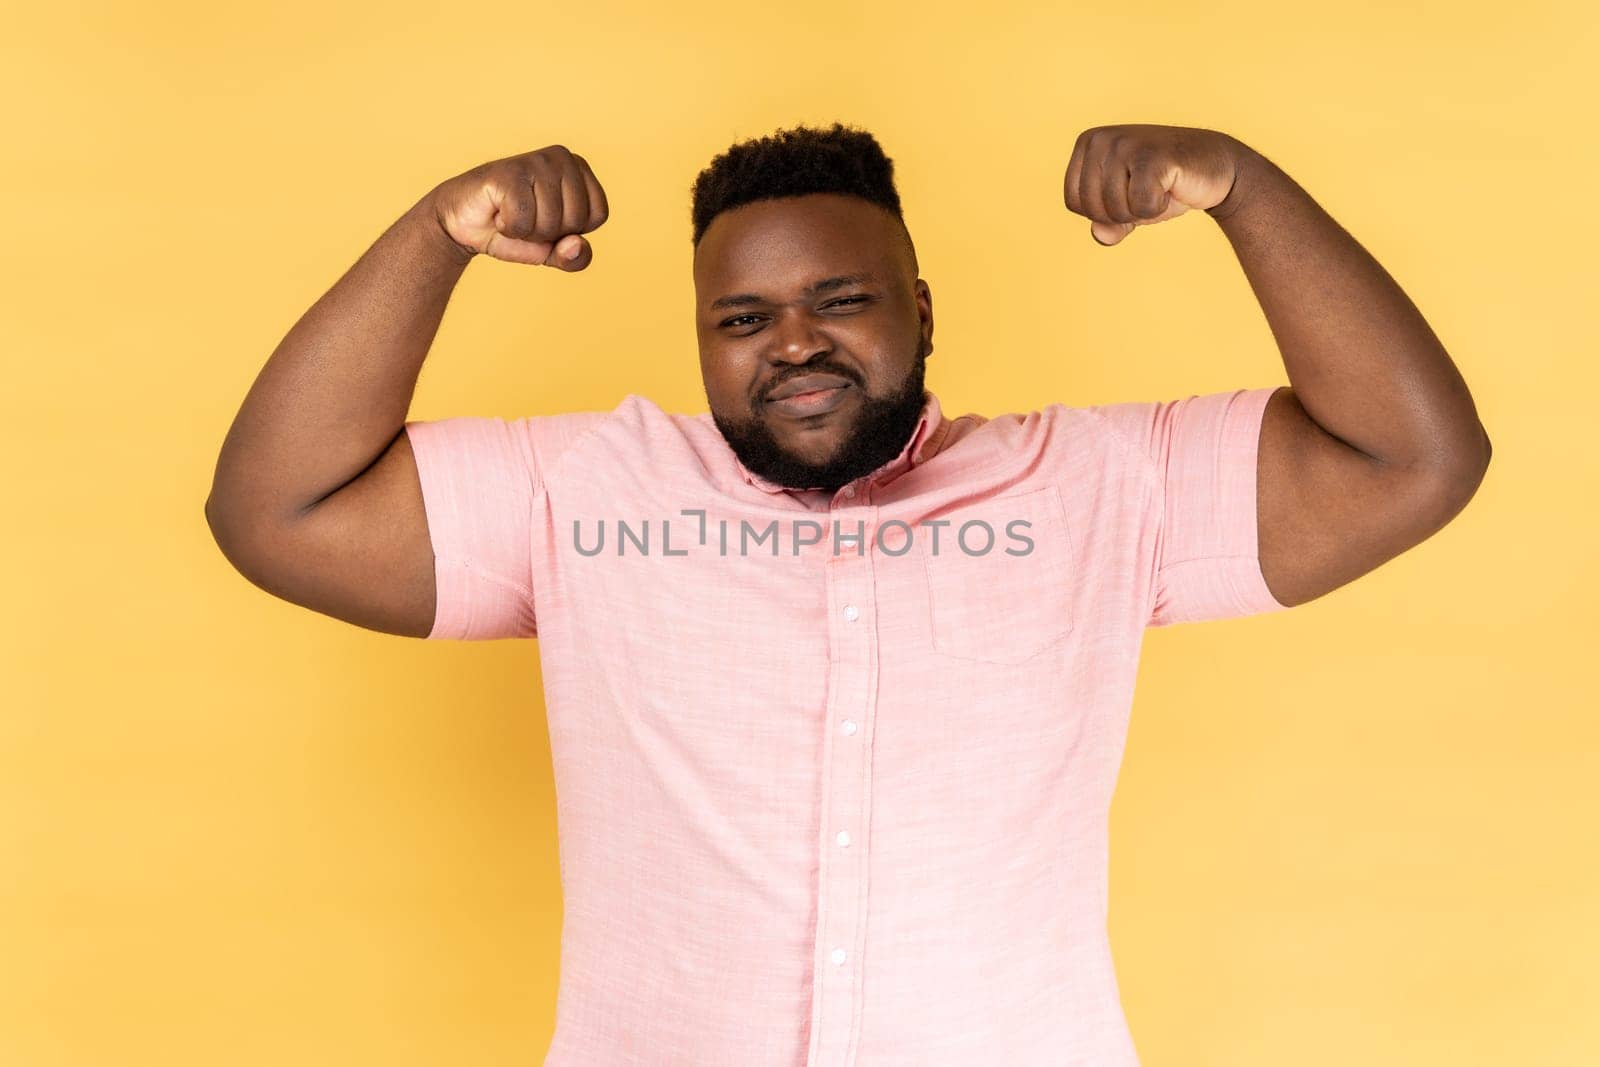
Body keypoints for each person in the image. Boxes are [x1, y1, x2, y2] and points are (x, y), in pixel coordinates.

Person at [205, 121, 1491, 1065]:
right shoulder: (586, 487)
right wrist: (441, 233)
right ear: (703, 337)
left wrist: (1242, 189)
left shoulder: (1099, 484)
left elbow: (1414, 457)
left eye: (840, 300)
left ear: (919, 309)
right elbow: (275, 510)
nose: (795, 344)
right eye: (744, 318)